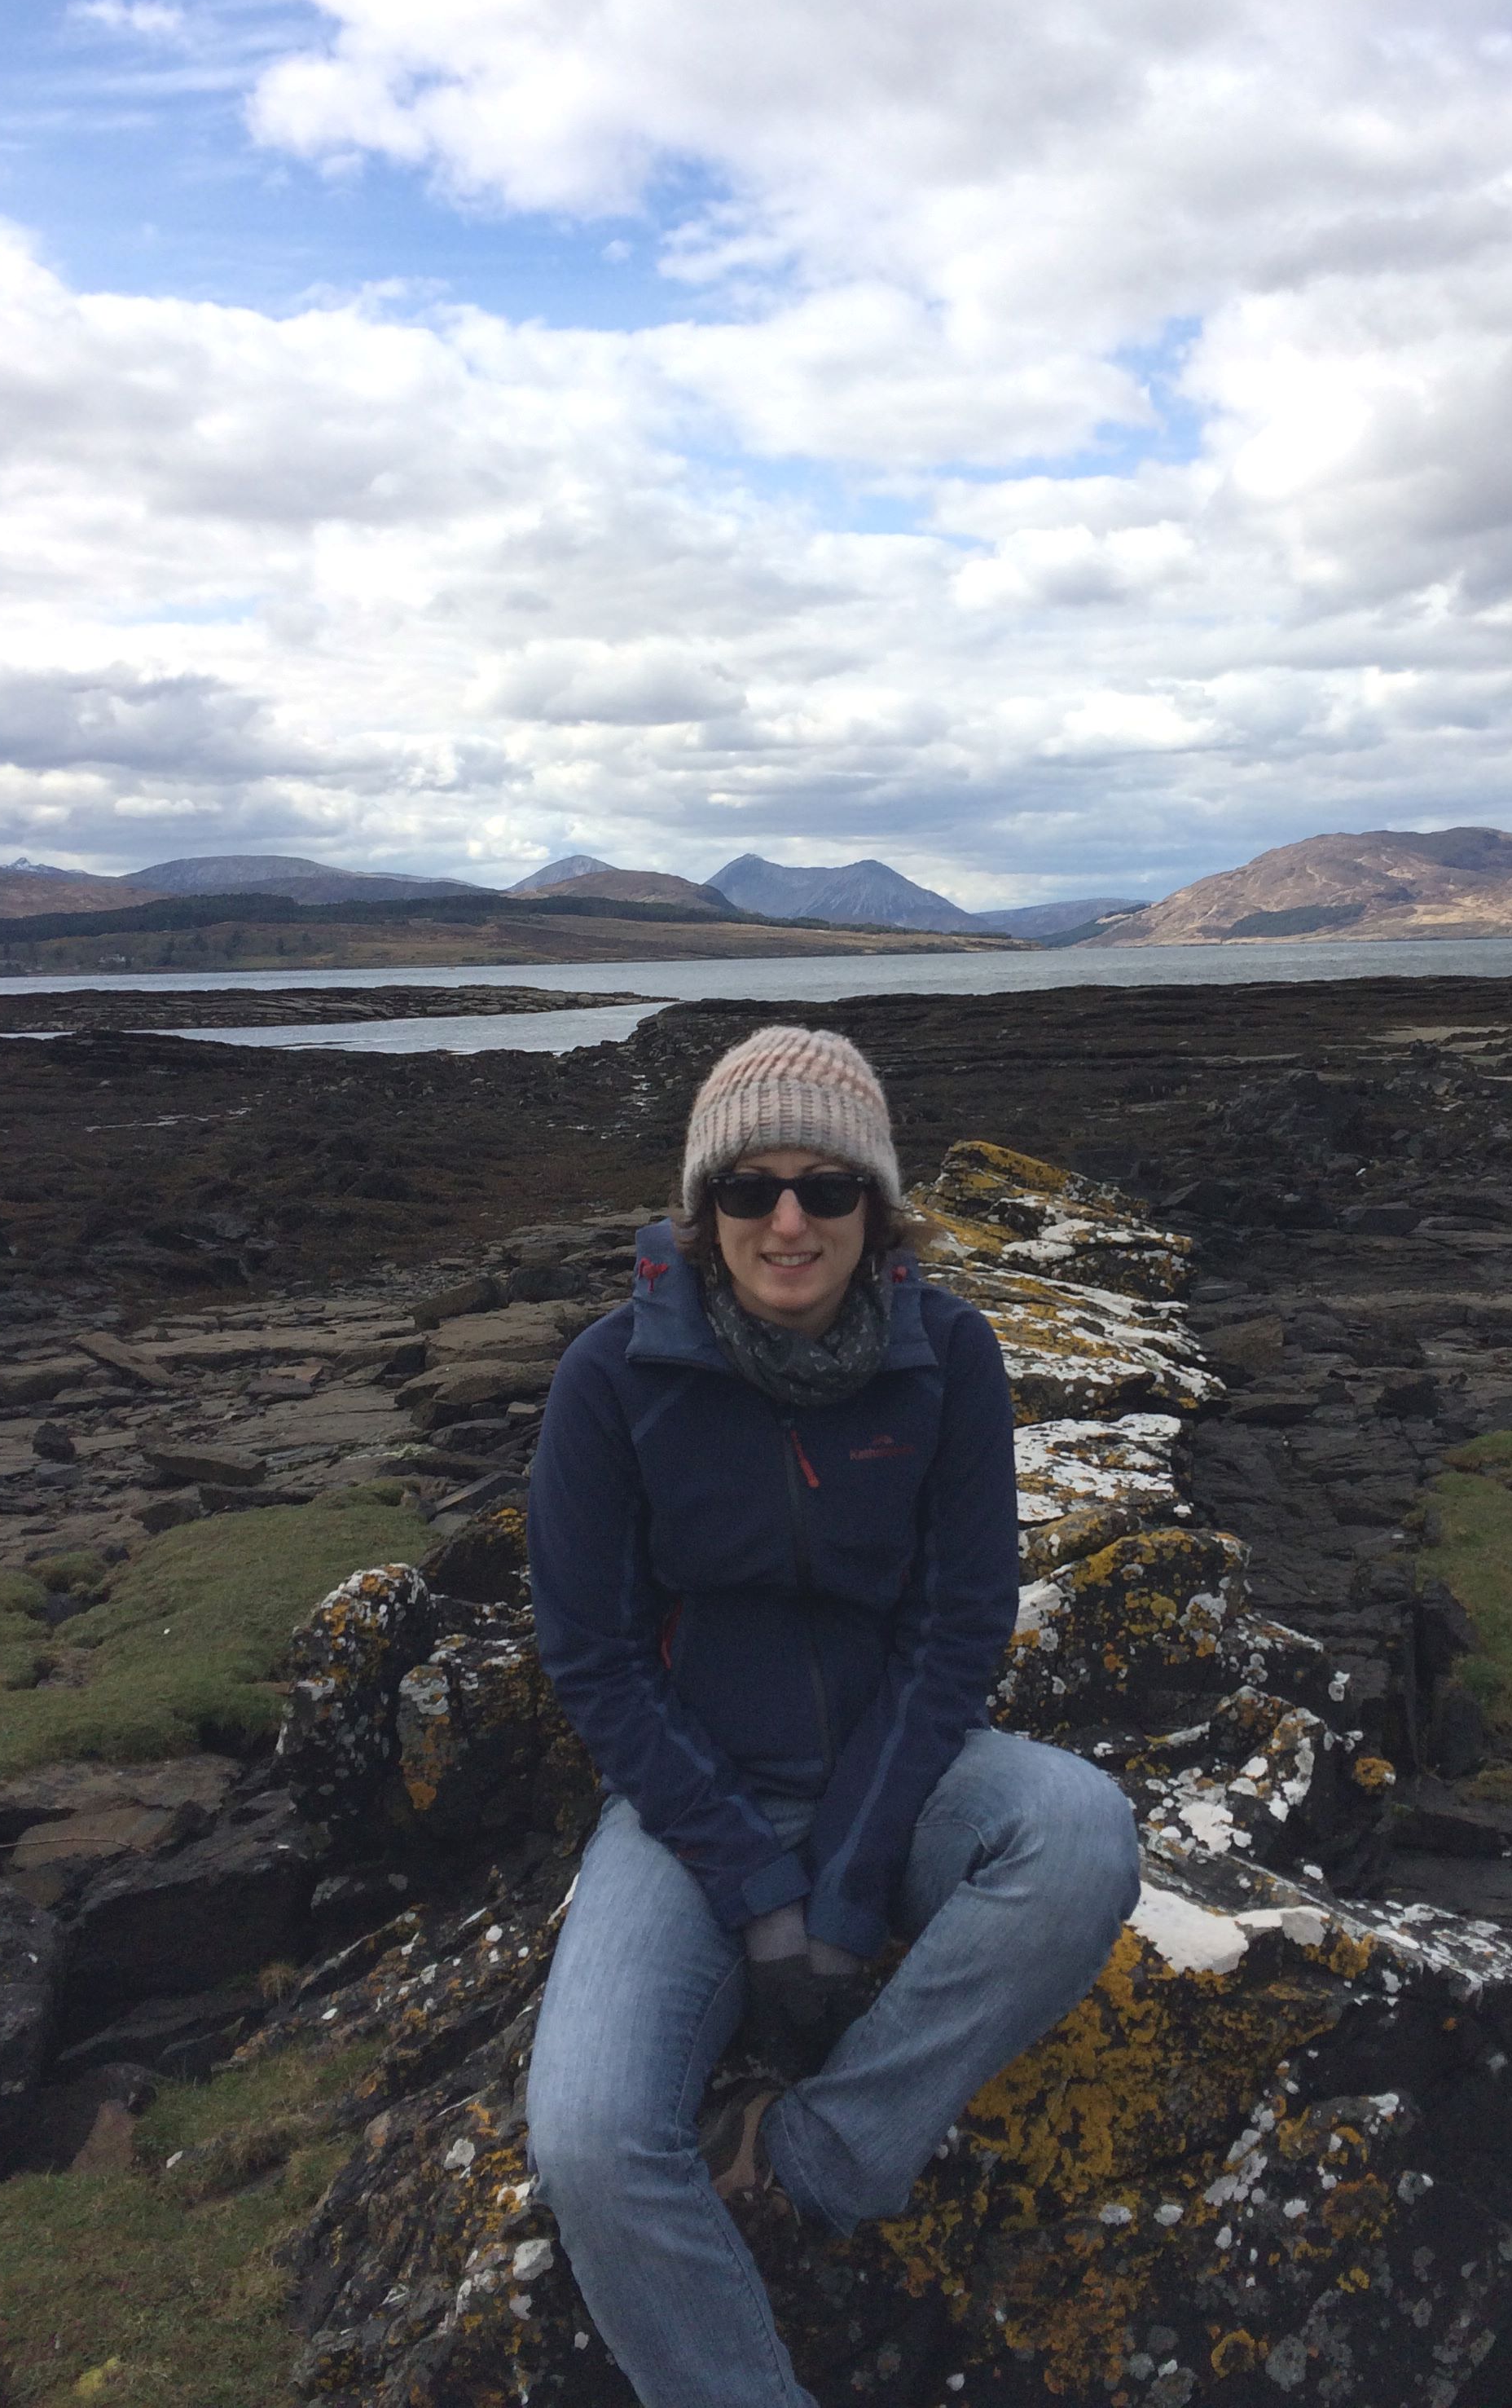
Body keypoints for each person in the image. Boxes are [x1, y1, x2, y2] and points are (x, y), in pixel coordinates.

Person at [525, 1023, 1142, 2407]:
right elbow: (598, 1658)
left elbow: (957, 1631)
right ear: (703, 1213)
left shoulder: (950, 1359)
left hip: (906, 1777)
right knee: (588, 2134)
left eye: (827, 1187)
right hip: (689, 1809)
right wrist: (756, 1890)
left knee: (1081, 1831)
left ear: (877, 1205)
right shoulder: (610, 1381)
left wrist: (850, 1893)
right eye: (750, 1189)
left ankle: (818, 2154)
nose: (788, 1220)